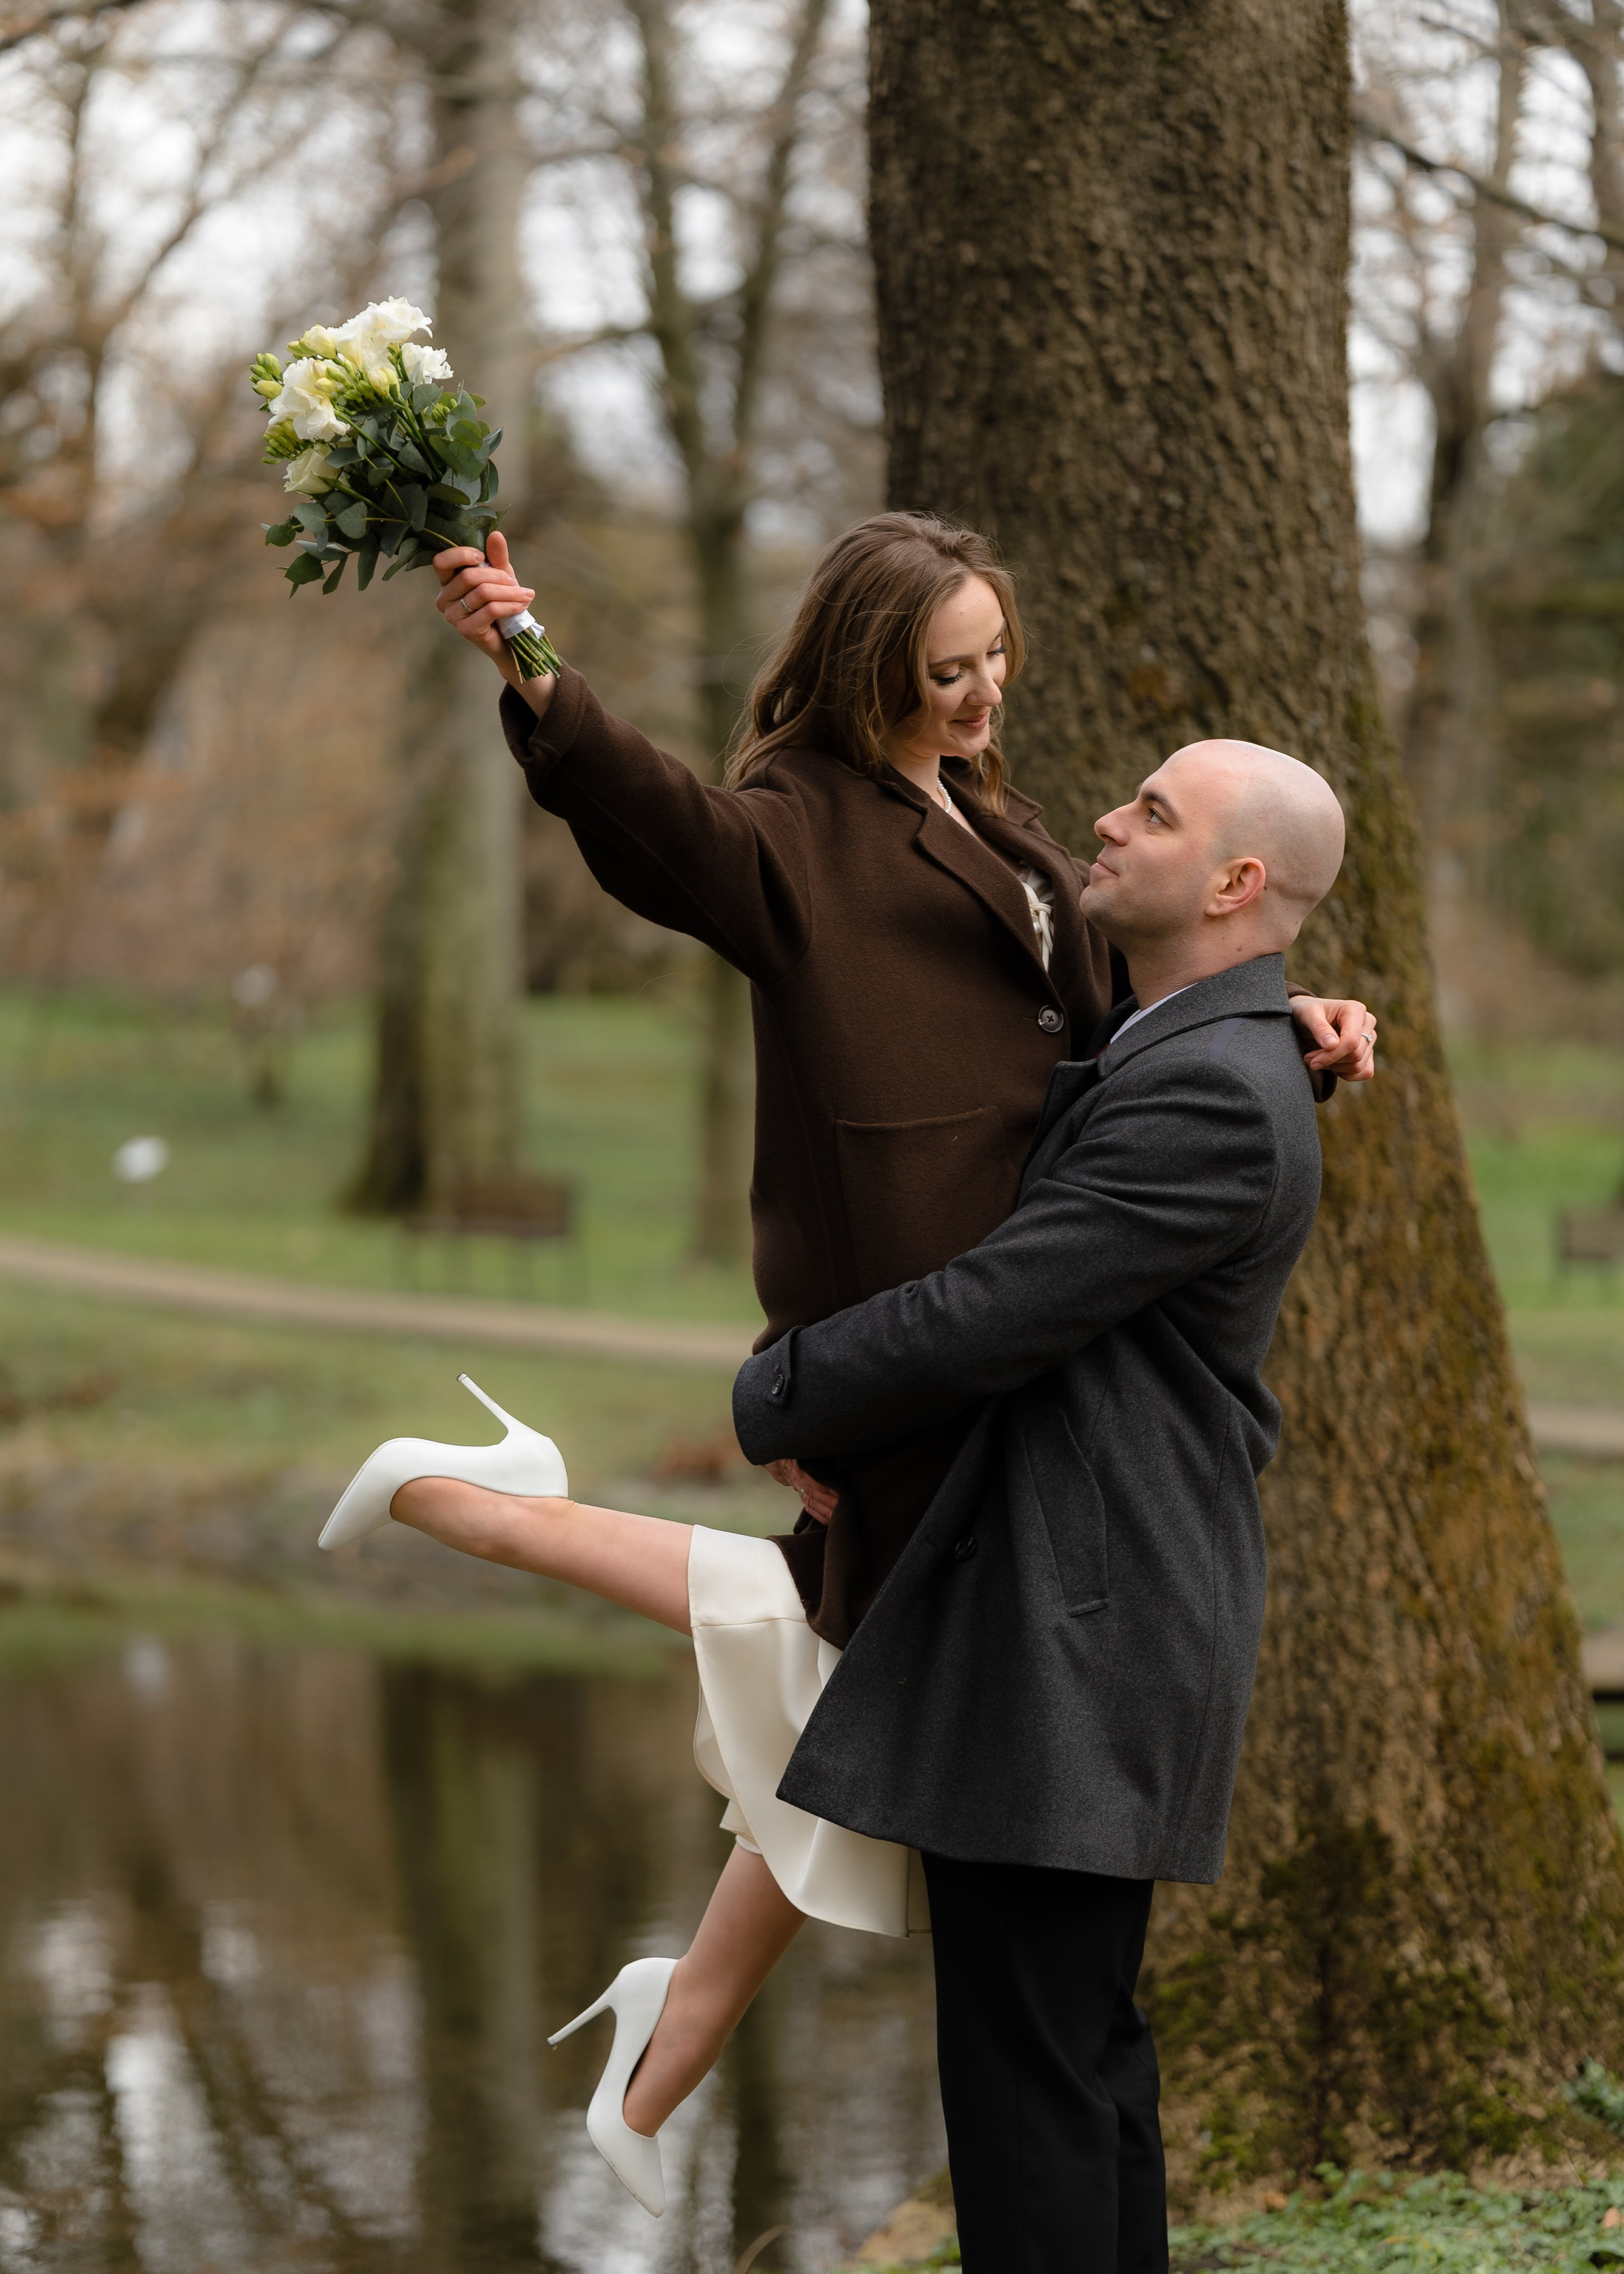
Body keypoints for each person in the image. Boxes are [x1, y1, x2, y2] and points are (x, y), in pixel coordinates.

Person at [322, 514, 1375, 2217]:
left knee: (851, 1710)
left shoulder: (1015, 839)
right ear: (870, 662)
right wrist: (529, 662)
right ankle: (501, 1542)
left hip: (991, 1377)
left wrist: (1283, 1024)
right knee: (848, 1694)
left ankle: (503, 1535)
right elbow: (651, 820)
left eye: (994, 657)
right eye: (946, 667)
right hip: (910, 1350)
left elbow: (1147, 1047)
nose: (981, 692)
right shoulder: (798, 834)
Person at [731, 737, 1347, 2273]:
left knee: (1032, 2087)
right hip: (1090, 1613)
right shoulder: (1193, 1045)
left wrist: (776, 1394)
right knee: (1072, 2062)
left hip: (1084, 1630)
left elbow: (990, 1310)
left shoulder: (1212, 1092)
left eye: (1152, 812)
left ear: (1236, 881)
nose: (1105, 820)